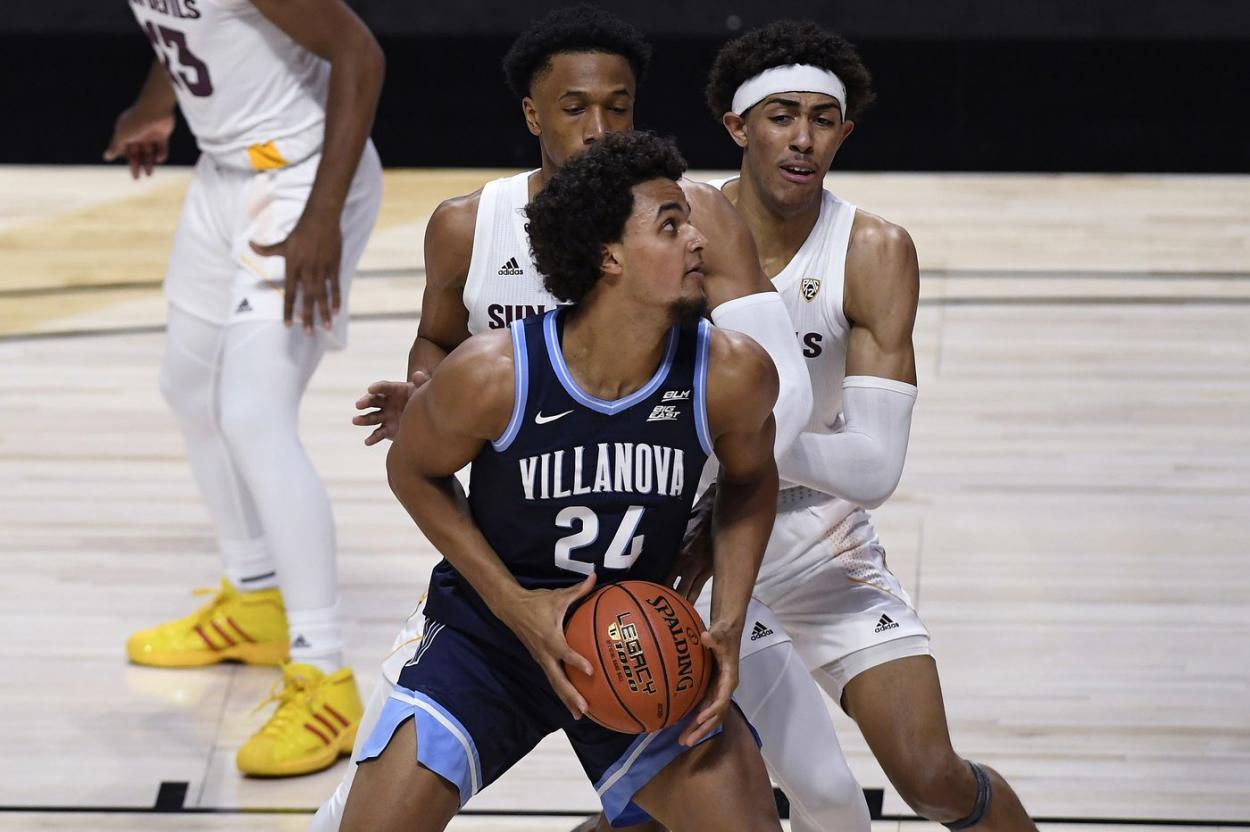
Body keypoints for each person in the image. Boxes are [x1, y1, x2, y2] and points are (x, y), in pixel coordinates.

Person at [339, 130, 783, 832]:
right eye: (672, 225)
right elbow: (413, 471)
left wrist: (727, 614)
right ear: (609, 256)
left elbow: (753, 481)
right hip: (489, 640)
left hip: (637, 640)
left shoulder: (731, 371)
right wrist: (515, 604)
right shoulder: (495, 374)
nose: (699, 240)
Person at [689, 21, 1037, 831]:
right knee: (667, 799)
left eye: (821, 118)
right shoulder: (677, 227)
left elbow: (875, 466)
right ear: (737, 126)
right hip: (697, 545)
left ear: (844, 130)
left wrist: (751, 447)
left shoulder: (873, 248)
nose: (802, 138)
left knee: (932, 777)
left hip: (818, 540)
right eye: (781, 115)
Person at [112, 0, 384, 777]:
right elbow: (191, 32)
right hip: (225, 173)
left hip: (303, 176)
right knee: (188, 387)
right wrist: (153, 105)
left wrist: (323, 216)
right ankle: (255, 597)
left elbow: (361, 55)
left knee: (252, 412)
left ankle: (325, 677)